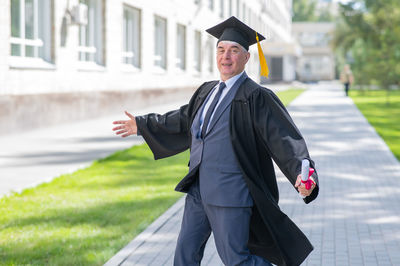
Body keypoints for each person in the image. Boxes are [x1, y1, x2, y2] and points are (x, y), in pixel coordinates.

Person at [113, 16, 319, 266]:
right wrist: (143, 124)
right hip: (198, 191)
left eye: (234, 51)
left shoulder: (256, 97)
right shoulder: (206, 91)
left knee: (236, 260)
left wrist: (302, 172)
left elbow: (284, 138)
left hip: (231, 195)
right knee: (185, 256)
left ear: (246, 57)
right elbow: (182, 119)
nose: (226, 57)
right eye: (221, 50)